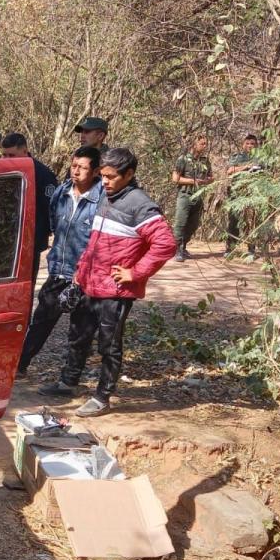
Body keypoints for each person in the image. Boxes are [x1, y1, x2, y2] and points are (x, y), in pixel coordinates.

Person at [69, 147, 177, 416]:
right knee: (79, 336)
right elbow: (96, 241)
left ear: (129, 174)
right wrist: (81, 270)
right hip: (92, 284)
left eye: (111, 177)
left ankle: (102, 398)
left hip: (116, 291)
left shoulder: (140, 204)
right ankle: (67, 383)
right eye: (102, 176)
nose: (104, 182)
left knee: (109, 345)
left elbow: (165, 244)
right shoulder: (107, 196)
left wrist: (135, 273)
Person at [17, 146, 104, 384]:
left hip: (86, 276)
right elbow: (55, 224)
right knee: (41, 321)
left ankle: (69, 381)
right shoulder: (61, 192)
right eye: (73, 166)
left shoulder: (103, 199)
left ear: (96, 171)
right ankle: (20, 366)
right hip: (59, 271)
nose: (75, 171)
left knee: (81, 330)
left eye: (82, 168)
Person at [0, 132, 58, 273]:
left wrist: (39, 237)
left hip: (29, 241)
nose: (7, 159)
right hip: (4, 240)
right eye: (4, 155)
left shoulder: (42, 174)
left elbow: (50, 209)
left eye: (11, 155)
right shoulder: (1, 171)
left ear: (25, 151)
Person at [171, 133, 213, 262]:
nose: (204, 146)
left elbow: (211, 177)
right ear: (194, 144)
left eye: (206, 144)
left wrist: (207, 180)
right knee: (181, 223)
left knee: (194, 224)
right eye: (202, 144)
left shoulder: (205, 161)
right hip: (185, 196)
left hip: (198, 196)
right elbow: (175, 178)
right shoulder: (183, 159)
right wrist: (193, 181)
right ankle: (177, 249)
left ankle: (183, 246)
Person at [225, 133, 261, 261]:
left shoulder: (261, 157)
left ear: (256, 145)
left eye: (252, 144)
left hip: (253, 193)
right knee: (233, 220)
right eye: (247, 143)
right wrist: (246, 167)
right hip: (236, 193)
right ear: (243, 144)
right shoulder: (237, 157)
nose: (250, 146)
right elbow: (229, 171)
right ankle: (230, 248)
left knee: (252, 221)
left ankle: (251, 249)